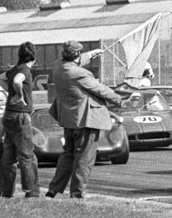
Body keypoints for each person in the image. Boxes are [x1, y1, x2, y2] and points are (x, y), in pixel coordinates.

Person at [46, 41, 122, 199]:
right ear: (76, 55)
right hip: (85, 121)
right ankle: (77, 194)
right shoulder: (81, 74)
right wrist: (119, 99)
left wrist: (92, 54)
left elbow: (74, 61)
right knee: (84, 158)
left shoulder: (57, 66)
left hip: (69, 120)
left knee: (68, 155)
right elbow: (100, 89)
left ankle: (53, 190)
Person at [0, 42, 40, 198]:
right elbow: (16, 81)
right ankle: (32, 192)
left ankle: (5, 191)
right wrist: (19, 95)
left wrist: (11, 92)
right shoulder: (25, 70)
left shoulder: (15, 68)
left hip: (8, 114)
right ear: (34, 56)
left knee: (9, 154)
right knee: (27, 155)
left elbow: (1, 78)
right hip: (20, 116)